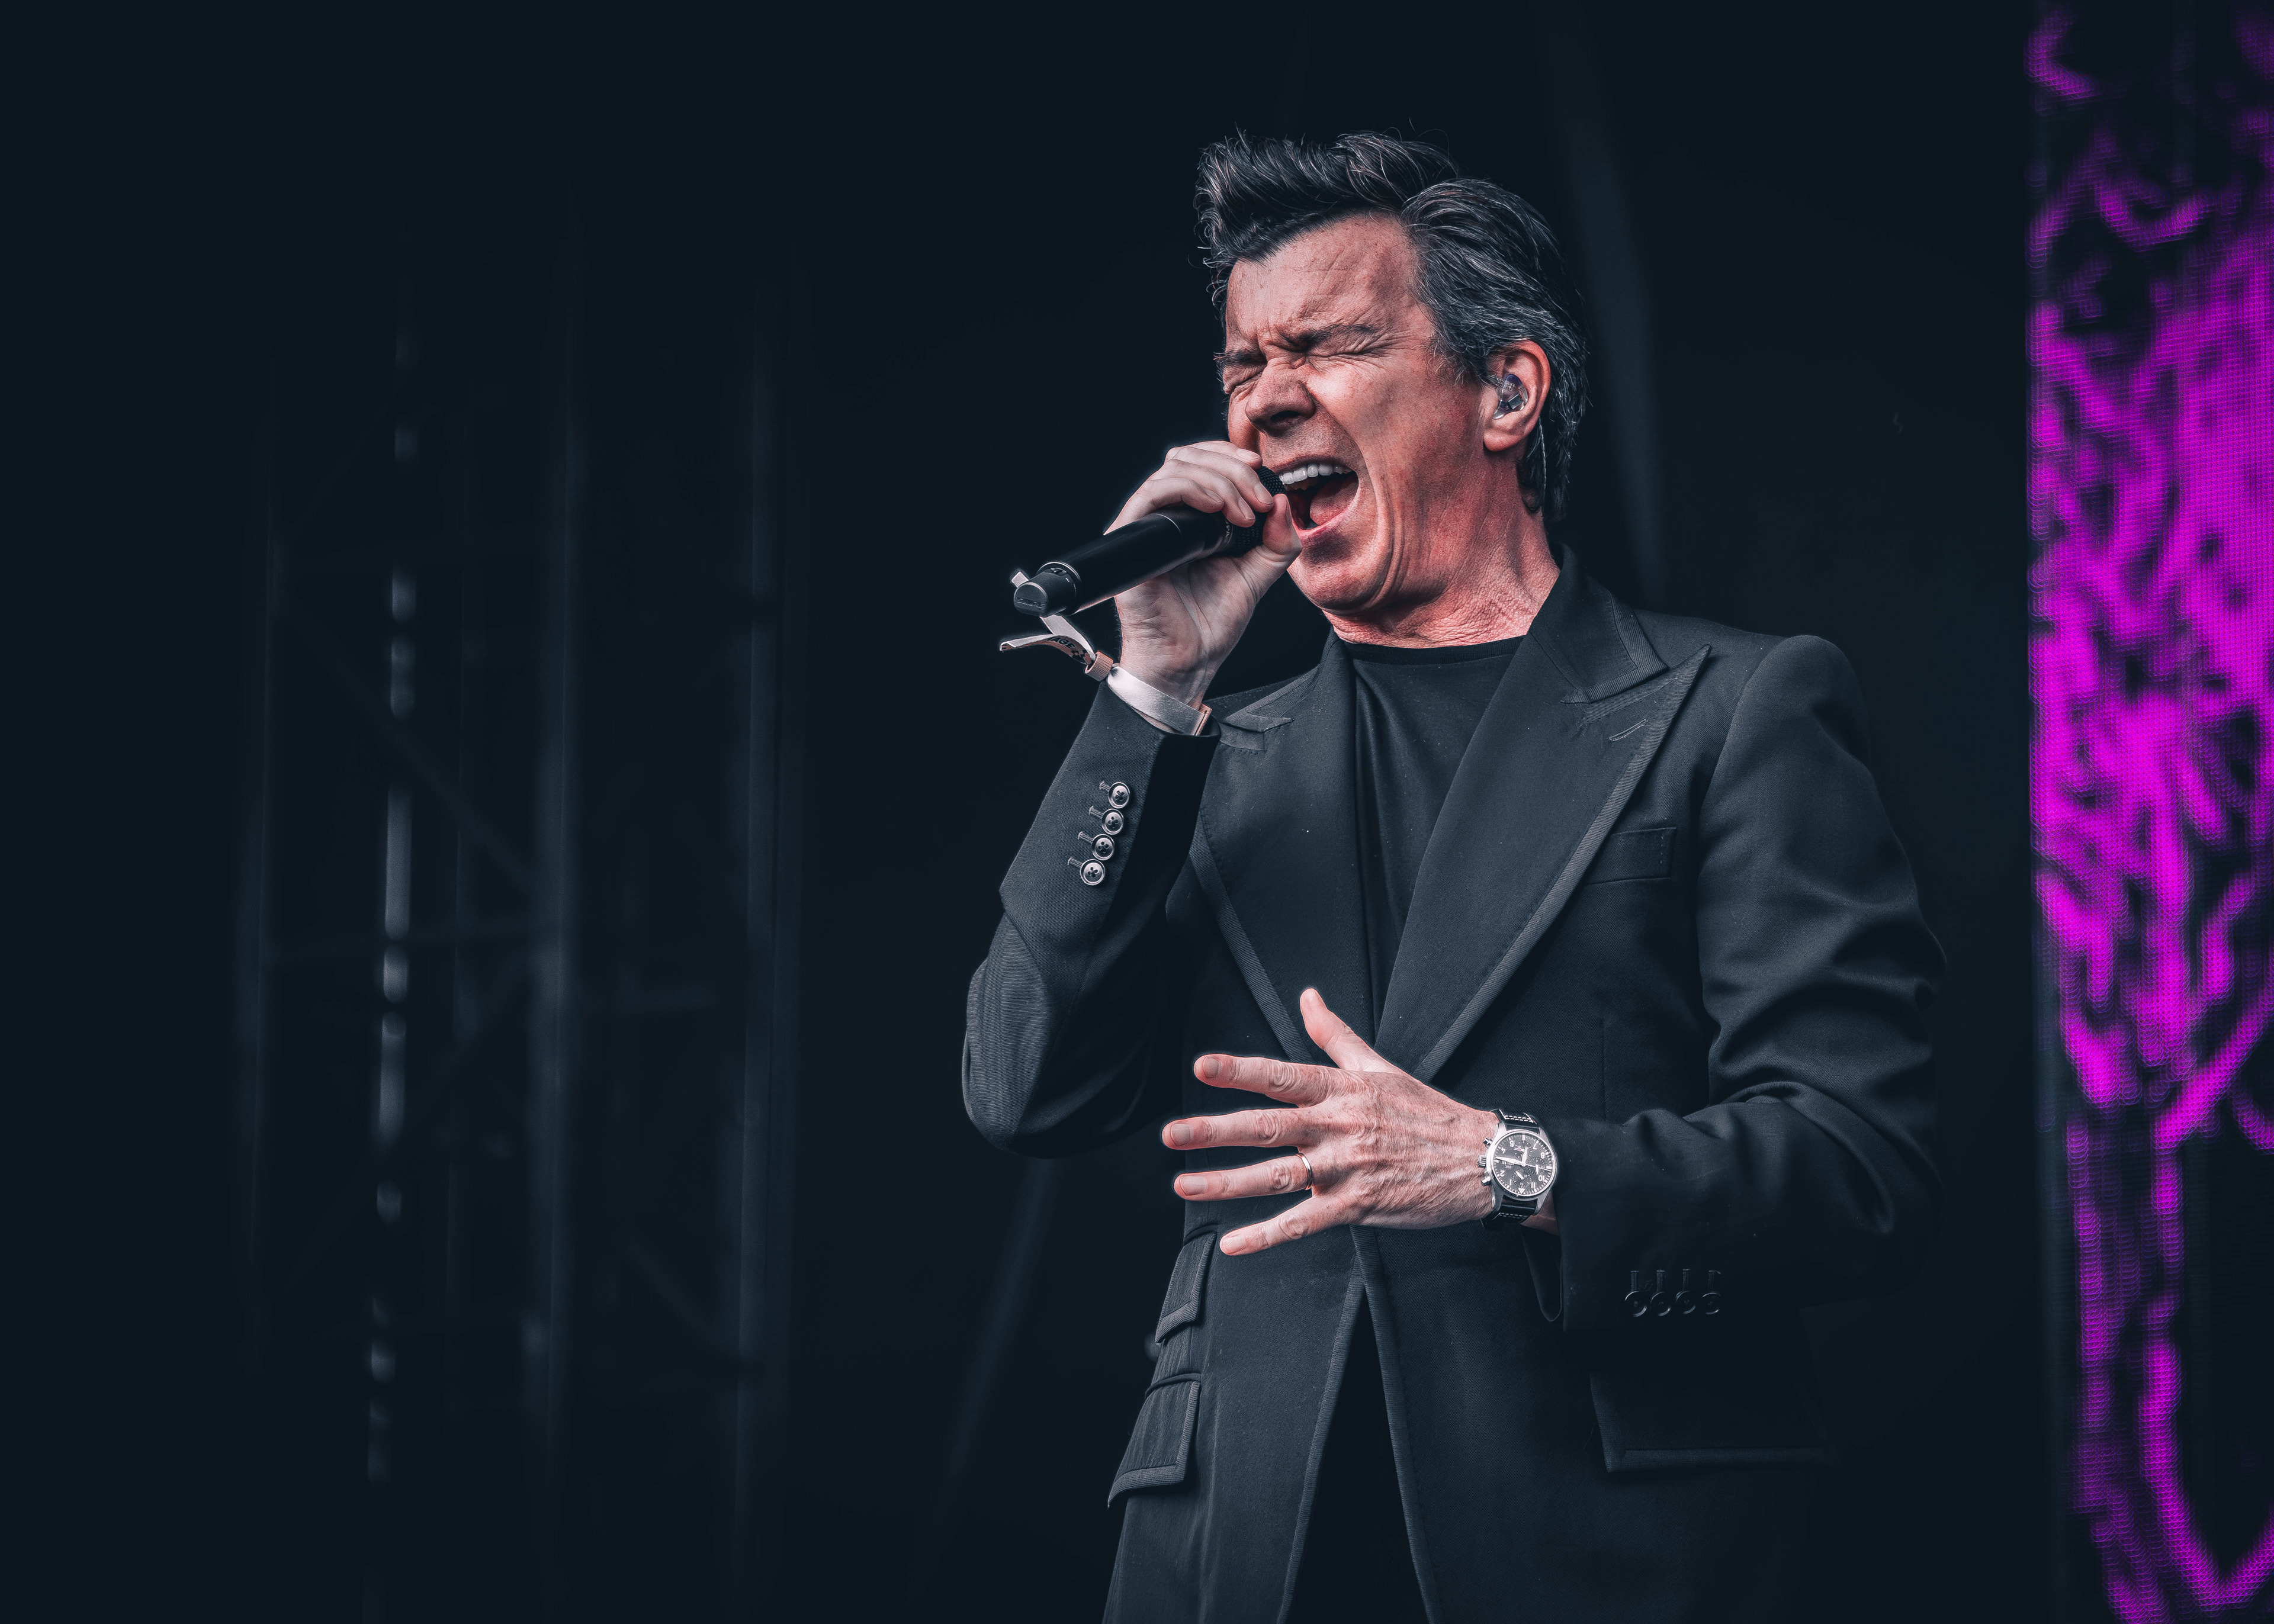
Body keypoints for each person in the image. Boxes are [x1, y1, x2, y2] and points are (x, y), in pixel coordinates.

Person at [962, 131, 1941, 1623]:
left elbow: (1860, 1172)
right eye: (1244, 364)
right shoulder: (1209, 754)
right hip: (1237, 1553)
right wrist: (1149, 692)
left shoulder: (1734, 710)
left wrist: (1506, 1165)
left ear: (1506, 392)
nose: (1266, 397)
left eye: (1332, 346)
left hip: (1613, 1555)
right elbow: (1025, 1086)